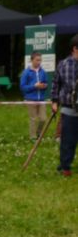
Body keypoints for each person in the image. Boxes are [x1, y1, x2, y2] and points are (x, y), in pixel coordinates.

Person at [51, 34, 78, 176]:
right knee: (68, 140)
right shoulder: (63, 64)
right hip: (69, 109)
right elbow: (56, 84)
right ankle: (65, 166)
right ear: (75, 49)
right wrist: (54, 101)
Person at [20, 52, 48, 140]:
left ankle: (39, 133)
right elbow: (23, 87)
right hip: (30, 99)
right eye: (37, 60)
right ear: (32, 60)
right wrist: (34, 86)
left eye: (40, 60)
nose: (39, 62)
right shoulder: (26, 72)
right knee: (33, 119)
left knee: (43, 119)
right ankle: (32, 137)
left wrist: (44, 86)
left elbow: (46, 83)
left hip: (41, 99)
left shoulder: (43, 72)